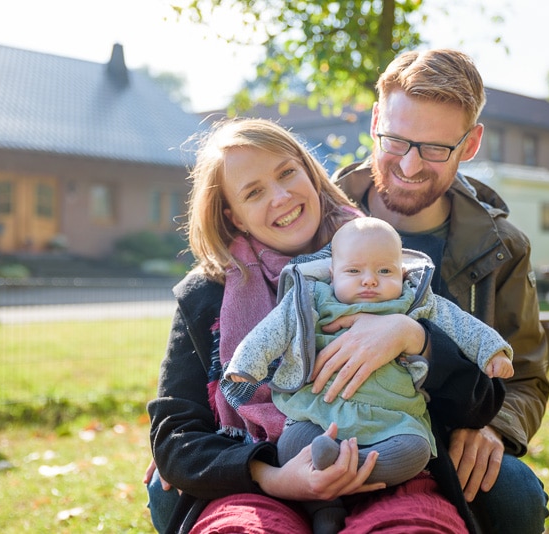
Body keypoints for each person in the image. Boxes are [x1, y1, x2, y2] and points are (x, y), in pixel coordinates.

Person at [147, 117, 505, 534]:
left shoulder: (392, 262)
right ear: (235, 217)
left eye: (286, 173)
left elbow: (480, 401)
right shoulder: (205, 295)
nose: (281, 196)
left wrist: (414, 338)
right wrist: (273, 476)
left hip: (394, 472)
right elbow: (175, 434)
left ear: (309, 172)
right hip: (255, 489)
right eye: (255, 191)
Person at [331, 48, 549, 533]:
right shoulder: (317, 219)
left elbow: (527, 376)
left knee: (516, 494)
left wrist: (495, 427)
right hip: (320, 428)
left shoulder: (503, 247)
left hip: (445, 437)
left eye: (435, 148)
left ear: (470, 144)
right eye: (396, 140)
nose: (409, 165)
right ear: (374, 120)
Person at [224, 216, 514, 533]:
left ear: (402, 272)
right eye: (354, 271)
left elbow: (460, 323)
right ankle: (325, 508)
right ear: (332, 274)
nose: (369, 281)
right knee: (292, 442)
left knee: (416, 451)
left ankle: (350, 469)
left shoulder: (413, 302)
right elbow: (273, 329)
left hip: (391, 420)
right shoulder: (313, 299)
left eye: (384, 271)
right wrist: (246, 364)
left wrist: (492, 351)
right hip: (321, 414)